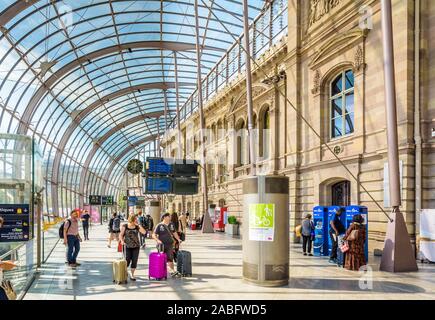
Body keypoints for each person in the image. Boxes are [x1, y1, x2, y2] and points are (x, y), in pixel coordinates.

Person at [153, 213, 183, 277]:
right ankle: (161, 272)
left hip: (170, 244)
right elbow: (153, 235)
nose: (170, 217)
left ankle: (172, 272)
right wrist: (157, 240)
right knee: (161, 259)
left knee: (170, 259)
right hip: (161, 245)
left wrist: (178, 239)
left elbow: (174, 232)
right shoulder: (159, 225)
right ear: (164, 217)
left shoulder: (171, 224)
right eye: (169, 216)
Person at [119, 214, 147, 281]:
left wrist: (138, 225)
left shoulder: (137, 227)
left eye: (136, 219)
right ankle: (124, 272)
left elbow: (144, 232)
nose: (136, 220)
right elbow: (121, 235)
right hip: (127, 246)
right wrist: (122, 241)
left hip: (136, 246)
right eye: (135, 219)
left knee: (134, 261)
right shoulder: (125, 226)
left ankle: (132, 274)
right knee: (127, 260)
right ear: (131, 219)